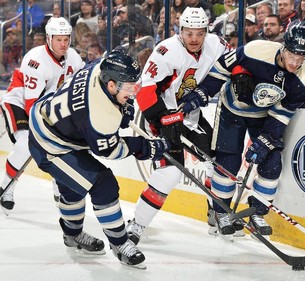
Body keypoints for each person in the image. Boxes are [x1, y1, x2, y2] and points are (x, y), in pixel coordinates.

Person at [27, 48, 170, 268]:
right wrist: (146, 148)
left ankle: (72, 234)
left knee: (73, 186)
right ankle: (120, 243)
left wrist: (123, 106)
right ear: (111, 85)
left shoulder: (100, 67)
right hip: (51, 145)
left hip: (53, 122)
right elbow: (110, 150)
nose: (133, 92)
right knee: (103, 183)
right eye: (129, 87)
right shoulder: (100, 114)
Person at [193, 24, 305, 237]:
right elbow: (222, 67)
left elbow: (280, 116)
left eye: (301, 57)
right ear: (283, 47)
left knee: (271, 163)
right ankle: (221, 212)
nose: (295, 62)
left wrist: (265, 141)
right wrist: (203, 93)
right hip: (233, 109)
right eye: (291, 54)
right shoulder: (256, 50)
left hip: (264, 117)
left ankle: (257, 212)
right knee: (228, 162)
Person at [125, 7, 231, 245]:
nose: (194, 39)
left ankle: (216, 213)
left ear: (206, 32)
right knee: (169, 173)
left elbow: (235, 60)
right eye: (189, 33)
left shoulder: (216, 45)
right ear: (180, 30)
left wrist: (241, 74)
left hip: (188, 115)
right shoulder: (166, 52)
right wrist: (162, 119)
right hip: (159, 116)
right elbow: (145, 90)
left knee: (218, 161)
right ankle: (137, 225)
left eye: (199, 33)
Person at [0, 17, 85, 211]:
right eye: (58, 40)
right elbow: (32, 105)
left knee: (61, 145)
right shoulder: (36, 60)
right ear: (48, 38)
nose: (63, 44)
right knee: (26, 144)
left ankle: (59, 186)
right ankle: (7, 186)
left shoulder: (74, 58)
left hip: (50, 108)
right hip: (19, 102)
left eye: (66, 39)